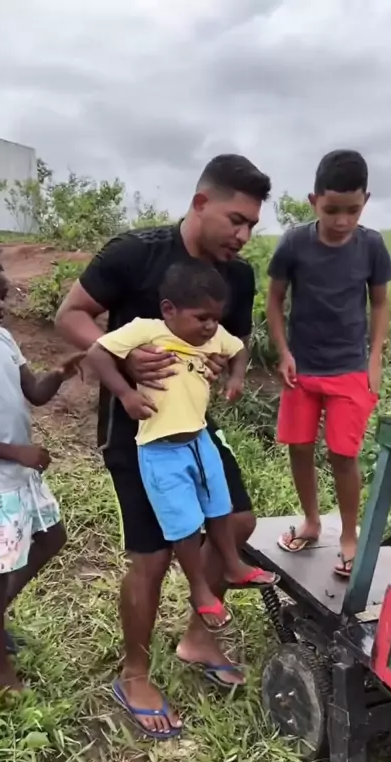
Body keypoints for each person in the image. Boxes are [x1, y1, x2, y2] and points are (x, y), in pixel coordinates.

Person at [55, 154, 274, 738]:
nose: (243, 235)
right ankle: (134, 676)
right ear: (201, 203)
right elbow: (70, 315)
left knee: (239, 521)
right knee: (151, 556)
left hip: (195, 425)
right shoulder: (136, 253)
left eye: (252, 225)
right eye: (236, 220)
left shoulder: (238, 277)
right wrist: (123, 355)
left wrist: (225, 370)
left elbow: (236, 340)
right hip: (137, 427)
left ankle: (198, 640)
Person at [88, 260, 267, 640]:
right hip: (160, 452)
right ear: (169, 309)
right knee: (184, 525)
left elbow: (238, 349)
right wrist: (126, 394)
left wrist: (235, 378)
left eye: (215, 318)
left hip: (200, 440)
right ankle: (199, 589)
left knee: (220, 508)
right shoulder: (146, 330)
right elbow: (98, 354)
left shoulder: (214, 336)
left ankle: (233, 564)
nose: (210, 326)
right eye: (202, 317)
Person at [267, 150, 391, 578]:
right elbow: (275, 299)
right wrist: (283, 352)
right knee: (300, 447)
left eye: (352, 210)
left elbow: (380, 303)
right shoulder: (294, 243)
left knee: (344, 454)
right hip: (301, 370)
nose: (342, 221)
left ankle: (349, 537)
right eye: (332, 210)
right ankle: (311, 522)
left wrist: (374, 358)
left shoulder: (371, 245)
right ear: (313, 201)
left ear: (366, 201)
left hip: (350, 369)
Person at [0, 250, 82, 690]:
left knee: (52, 537)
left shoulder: (2, 339)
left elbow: (34, 392)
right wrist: (16, 453)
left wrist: (59, 372)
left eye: (2, 297)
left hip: (19, 476)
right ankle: (0, 673)